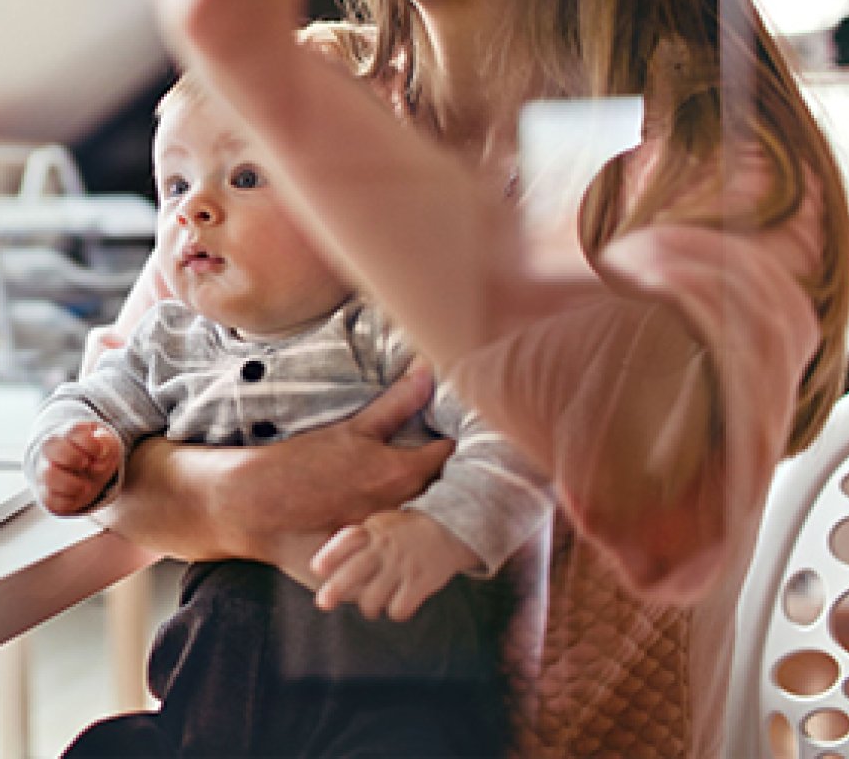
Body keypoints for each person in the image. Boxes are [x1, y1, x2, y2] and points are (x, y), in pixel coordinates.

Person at [79, 0, 849, 755]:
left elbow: (630, 475)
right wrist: (245, 498)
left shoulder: (702, 156)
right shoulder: (316, 101)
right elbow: (116, 445)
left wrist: (254, 59)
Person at [27, 74, 549, 756]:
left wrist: (439, 530)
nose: (195, 210)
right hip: (213, 704)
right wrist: (65, 447)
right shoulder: (168, 344)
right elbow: (83, 402)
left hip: (388, 693)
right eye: (176, 186)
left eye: (245, 176)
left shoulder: (393, 336)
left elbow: (518, 438)